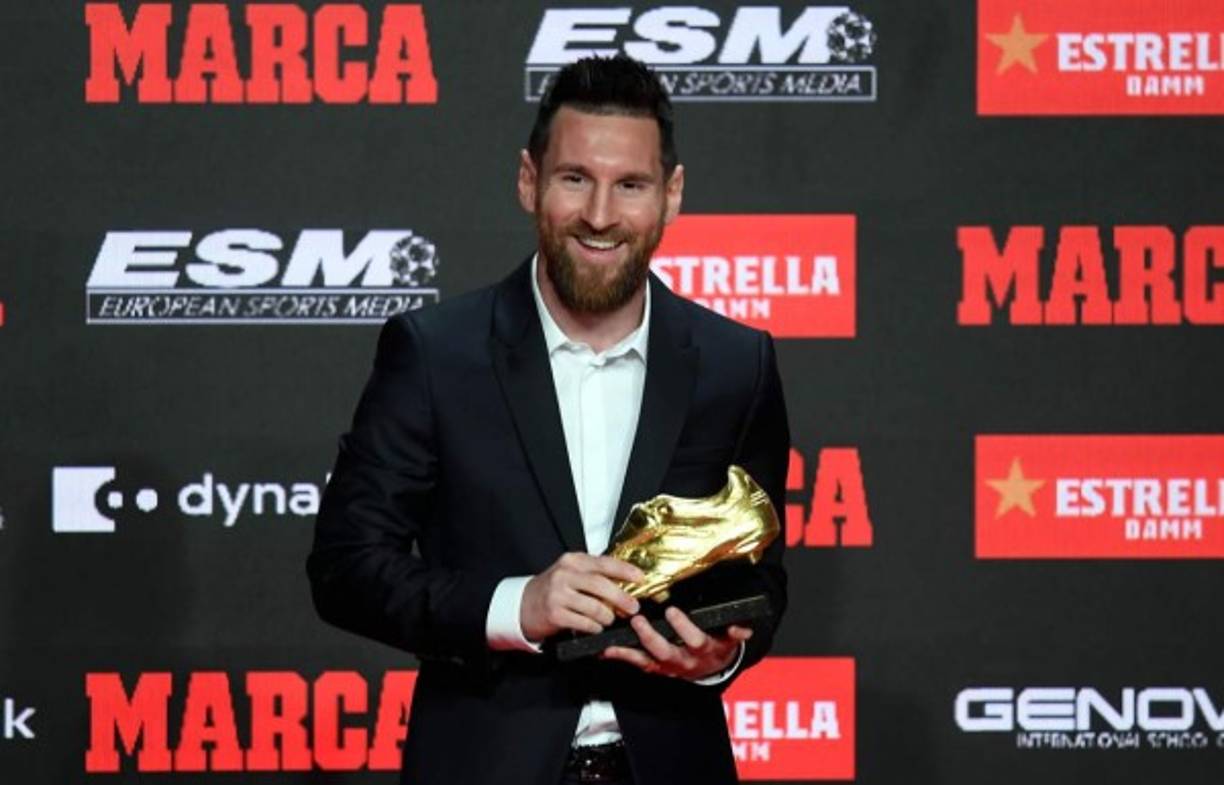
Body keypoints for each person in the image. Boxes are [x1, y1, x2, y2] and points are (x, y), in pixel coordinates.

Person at [308, 54, 789, 785]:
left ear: (672, 195)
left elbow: (764, 575)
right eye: (575, 179)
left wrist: (719, 659)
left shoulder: (735, 364)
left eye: (630, 185)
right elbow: (346, 567)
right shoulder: (436, 353)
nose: (600, 215)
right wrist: (516, 604)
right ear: (530, 181)